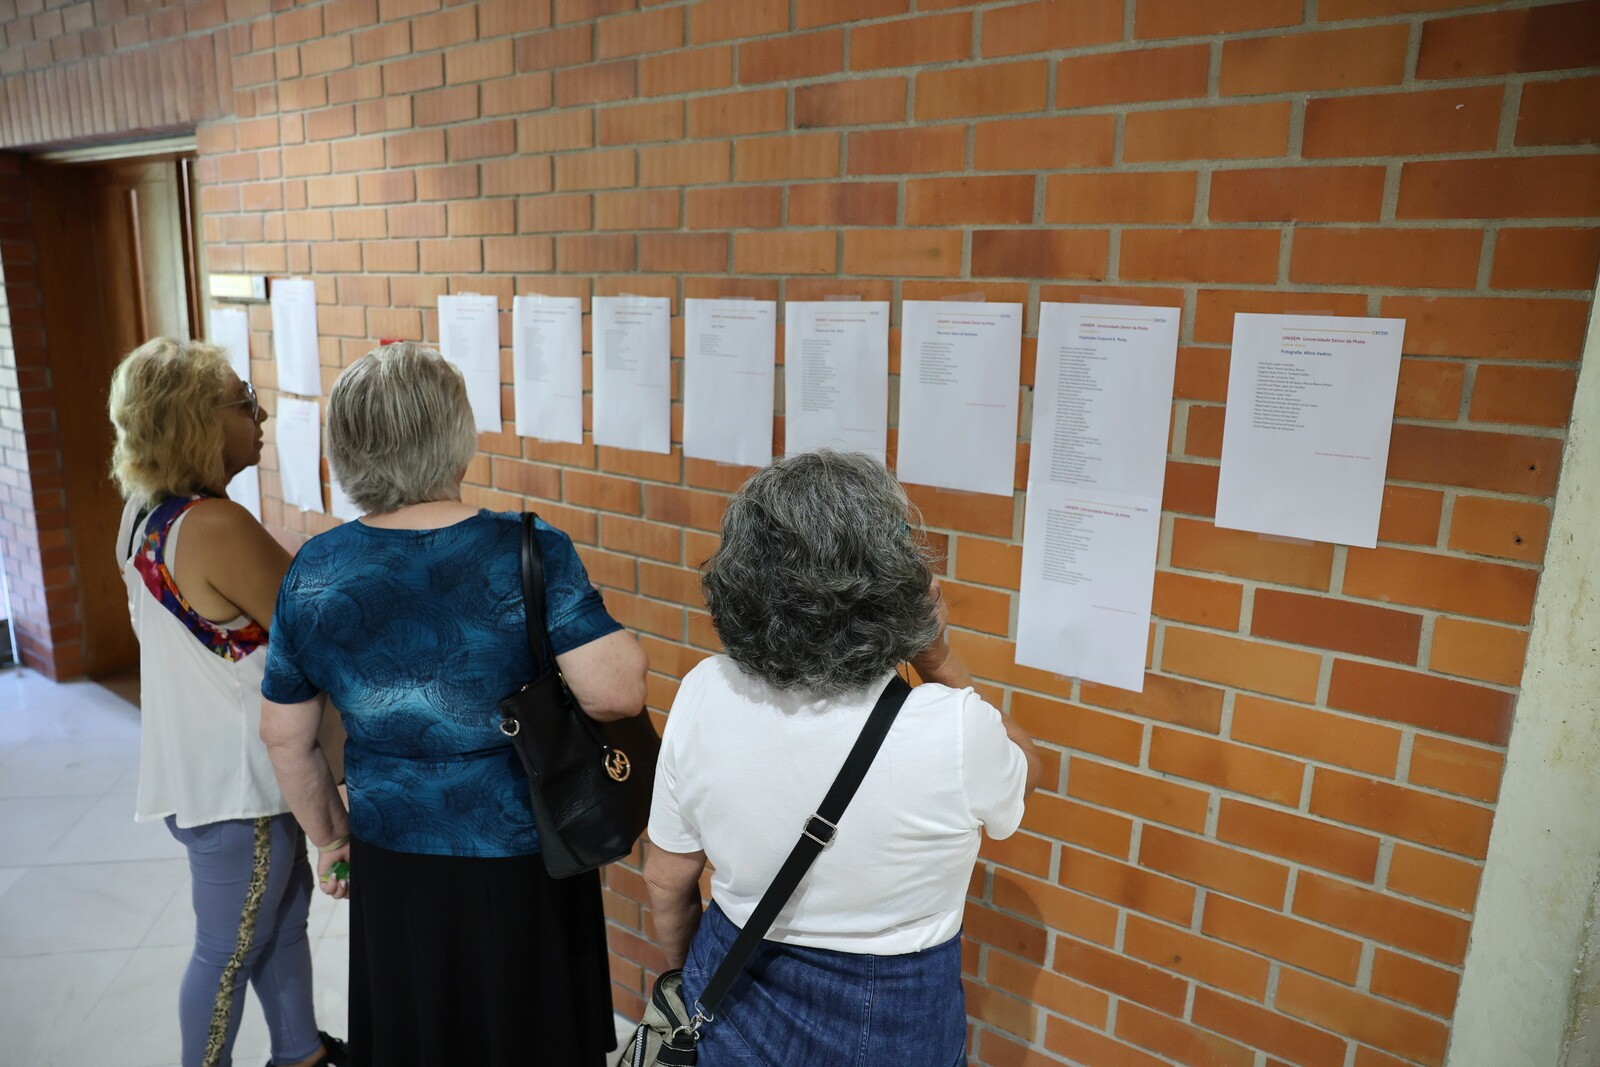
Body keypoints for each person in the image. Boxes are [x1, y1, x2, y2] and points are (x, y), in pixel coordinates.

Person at [258, 342, 648, 1067]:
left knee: (418, 1028)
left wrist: (333, 836)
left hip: (390, 846)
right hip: (522, 851)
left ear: (347, 448)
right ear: (456, 433)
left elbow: (284, 735)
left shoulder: (316, 569)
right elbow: (615, 692)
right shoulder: (525, 547)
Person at [645, 449, 1044, 1067]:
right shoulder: (952, 728)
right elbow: (1028, 769)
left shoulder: (706, 689)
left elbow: (667, 877)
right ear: (895, 578)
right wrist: (937, 655)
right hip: (894, 1010)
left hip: (731, 976)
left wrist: (692, 979)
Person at [109, 337, 346, 1067]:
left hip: (204, 771)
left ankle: (300, 1054)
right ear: (196, 421)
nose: (261, 414)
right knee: (227, 950)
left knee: (277, 924)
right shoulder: (218, 525)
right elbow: (316, 641)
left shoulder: (145, 513)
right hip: (239, 786)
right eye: (244, 401)